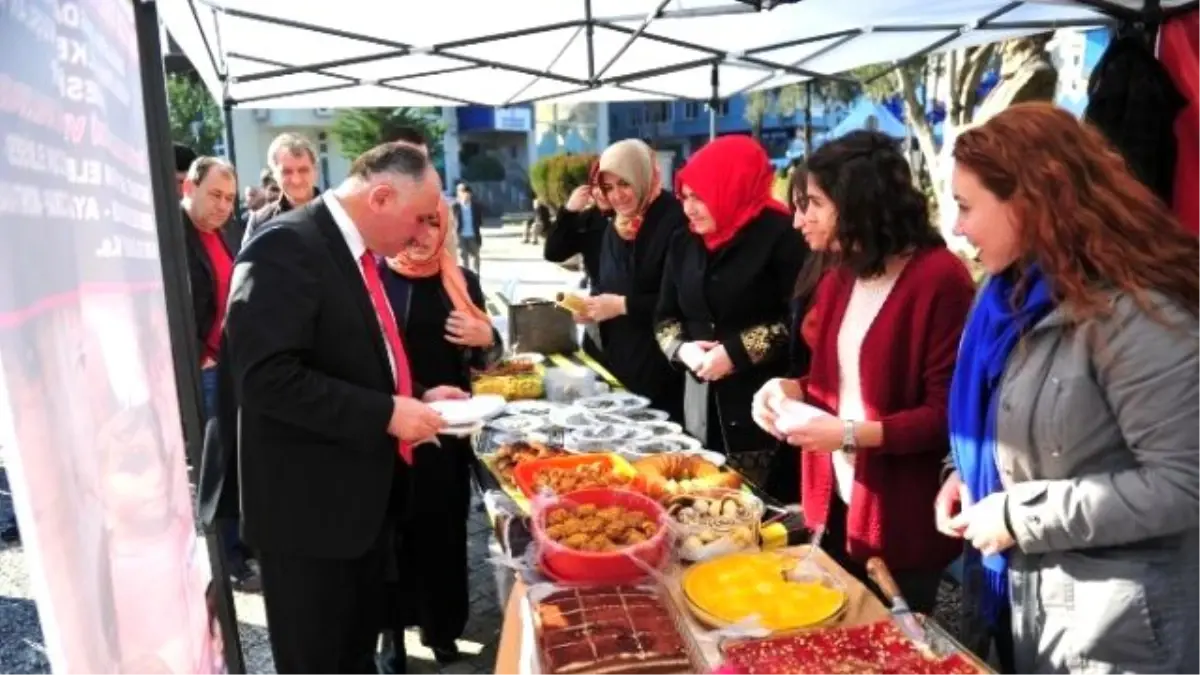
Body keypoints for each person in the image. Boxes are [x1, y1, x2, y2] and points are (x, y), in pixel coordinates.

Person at [937, 102, 1200, 674]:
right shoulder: (1003, 296)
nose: (956, 226)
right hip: (1023, 603)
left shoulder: (1141, 315)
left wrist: (1018, 515)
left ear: (1029, 203)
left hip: (1115, 631)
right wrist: (960, 473)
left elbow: (1183, 482)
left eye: (964, 206)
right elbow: (997, 419)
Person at [222, 143, 467, 675]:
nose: (427, 235)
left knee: (352, 656)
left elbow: (355, 356)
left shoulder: (347, 249)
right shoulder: (286, 246)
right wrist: (385, 413)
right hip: (311, 521)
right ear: (380, 196)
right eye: (422, 219)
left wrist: (415, 394)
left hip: (355, 511)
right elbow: (265, 379)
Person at [751, 130, 974, 613]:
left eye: (812, 204)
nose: (798, 220)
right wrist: (787, 387)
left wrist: (850, 433)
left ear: (857, 202)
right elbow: (837, 382)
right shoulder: (842, 273)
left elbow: (944, 418)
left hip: (900, 521)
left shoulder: (940, 279)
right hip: (834, 506)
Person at [377, 204, 501, 673]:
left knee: (443, 535)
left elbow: (488, 363)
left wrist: (487, 335)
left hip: (448, 434)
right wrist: (415, 395)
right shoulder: (375, 278)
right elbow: (366, 360)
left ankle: (443, 630)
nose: (423, 234)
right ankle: (393, 638)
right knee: (394, 537)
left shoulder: (462, 281)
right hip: (393, 428)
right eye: (416, 221)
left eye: (434, 223)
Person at [654, 136, 804, 484]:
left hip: (760, 408)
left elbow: (799, 321)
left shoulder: (783, 236)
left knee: (754, 515)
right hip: (697, 403)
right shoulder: (683, 240)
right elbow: (664, 316)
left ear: (730, 187)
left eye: (700, 197)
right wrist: (682, 349)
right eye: (685, 197)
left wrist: (735, 352)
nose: (689, 209)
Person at [575, 139, 686, 419]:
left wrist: (623, 306)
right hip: (616, 360)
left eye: (624, 184)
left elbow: (682, 300)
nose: (617, 196)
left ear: (643, 176)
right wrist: (592, 306)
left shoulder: (674, 221)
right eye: (608, 187)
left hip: (659, 366)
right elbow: (608, 281)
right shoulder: (617, 224)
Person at [543, 163, 613, 362]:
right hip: (596, 320)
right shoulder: (589, 219)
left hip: (632, 319)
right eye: (595, 185)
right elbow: (553, 253)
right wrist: (568, 212)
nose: (600, 193)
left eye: (607, 187)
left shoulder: (637, 221)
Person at [241, 133, 320, 246]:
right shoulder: (260, 222)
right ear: (274, 175)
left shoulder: (337, 215)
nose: (296, 180)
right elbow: (246, 262)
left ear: (315, 171)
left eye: (303, 170)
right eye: (286, 172)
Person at [451, 183, 484, 273]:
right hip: (461, 236)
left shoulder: (476, 206)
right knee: (463, 258)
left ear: (470, 194)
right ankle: (466, 278)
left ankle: (476, 276)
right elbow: (451, 222)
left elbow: (480, 220)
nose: (464, 195)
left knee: (475, 257)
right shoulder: (455, 206)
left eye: (466, 193)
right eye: (461, 193)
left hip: (473, 235)